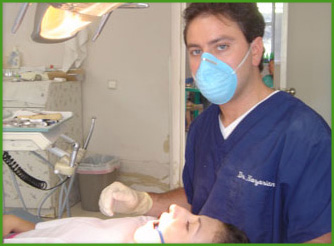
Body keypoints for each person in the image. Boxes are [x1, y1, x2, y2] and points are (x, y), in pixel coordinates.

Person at [98, 3, 331, 243]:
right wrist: (143, 202)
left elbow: (319, 236)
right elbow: (197, 199)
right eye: (196, 51)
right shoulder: (203, 126)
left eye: (221, 46)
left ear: (255, 50)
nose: (207, 63)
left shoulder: (305, 135)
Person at [2, 204, 249, 244]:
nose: (178, 210)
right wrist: (19, 224)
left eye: (188, 226)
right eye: (196, 216)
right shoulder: (144, 228)